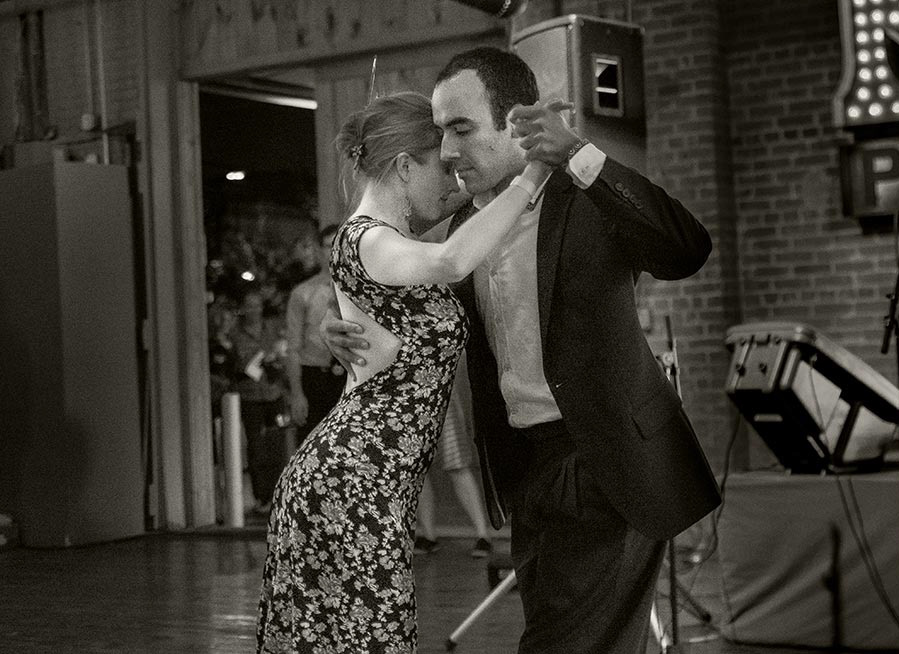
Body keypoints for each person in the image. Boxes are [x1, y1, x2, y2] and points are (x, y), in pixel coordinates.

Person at [323, 47, 722, 654]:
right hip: (526, 471)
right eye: (439, 134)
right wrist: (346, 326)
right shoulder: (460, 230)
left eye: (461, 129)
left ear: (516, 123)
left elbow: (687, 249)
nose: (449, 152)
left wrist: (579, 156)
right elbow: (401, 288)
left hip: (604, 459)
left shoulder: (586, 195)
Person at [255, 91, 551, 654]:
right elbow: (452, 261)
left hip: (370, 478)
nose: (455, 180)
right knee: (371, 640)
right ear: (406, 164)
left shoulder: (392, 243)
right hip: (354, 479)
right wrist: (535, 171)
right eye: (443, 165)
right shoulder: (366, 238)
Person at [413, 354, 493, 558]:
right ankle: (429, 535)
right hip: (406, 388)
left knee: (455, 460)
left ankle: (483, 534)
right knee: (417, 468)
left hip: (438, 382)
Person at [284, 224, 346, 444]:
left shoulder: (359, 290)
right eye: (329, 247)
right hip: (315, 375)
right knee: (313, 444)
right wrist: (296, 392)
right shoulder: (303, 293)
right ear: (319, 250)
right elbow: (292, 347)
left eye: (338, 246)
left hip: (349, 373)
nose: (334, 252)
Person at [231, 290, 288, 515]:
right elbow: (238, 365)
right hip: (250, 396)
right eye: (250, 305)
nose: (254, 310)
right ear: (244, 308)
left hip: (274, 394)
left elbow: (281, 354)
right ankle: (261, 497)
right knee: (256, 448)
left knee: (279, 443)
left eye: (257, 305)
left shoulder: (272, 330)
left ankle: (280, 493)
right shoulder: (236, 334)